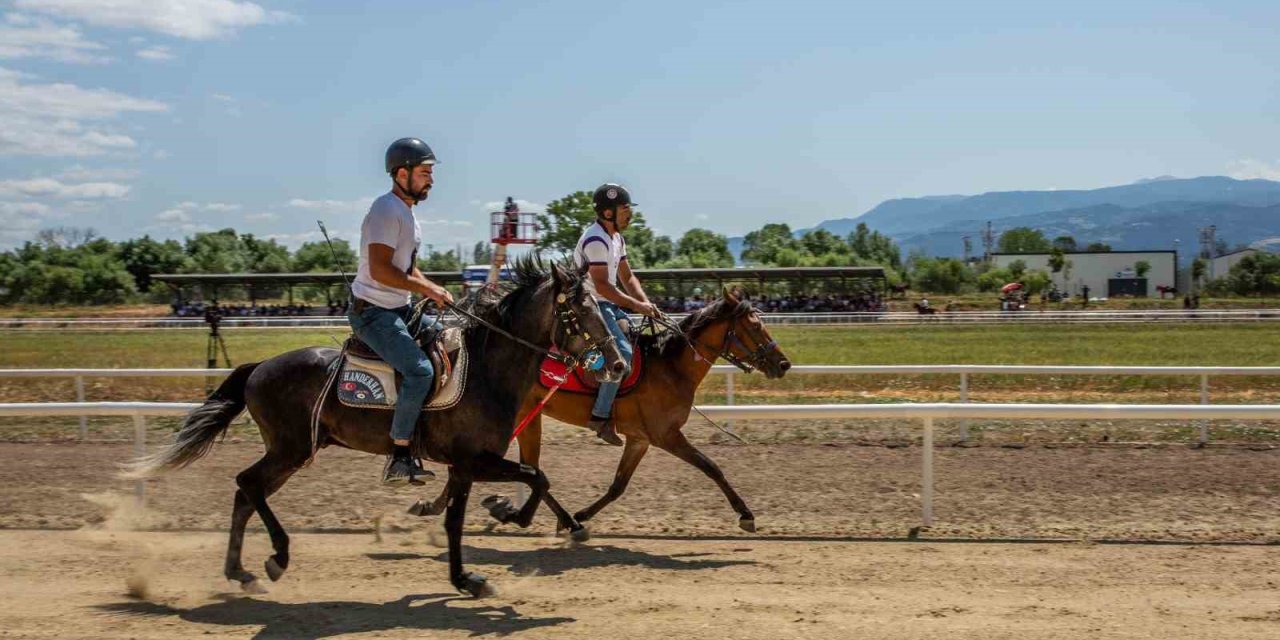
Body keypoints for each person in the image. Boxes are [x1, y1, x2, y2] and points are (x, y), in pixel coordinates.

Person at [347, 137, 454, 485]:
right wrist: (426, 289)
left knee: (451, 341)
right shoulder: (384, 210)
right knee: (421, 371)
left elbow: (407, 269)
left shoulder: (407, 215)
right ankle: (400, 455)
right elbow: (380, 270)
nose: (431, 181)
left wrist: (435, 291)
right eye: (425, 173)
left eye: (430, 174)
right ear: (402, 173)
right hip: (373, 313)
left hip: (399, 308)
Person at [574, 183, 658, 446]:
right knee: (621, 356)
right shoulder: (596, 239)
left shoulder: (616, 238)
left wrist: (647, 304)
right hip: (588, 305)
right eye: (625, 209)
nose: (630, 214)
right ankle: (599, 417)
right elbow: (602, 286)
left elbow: (627, 276)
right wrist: (636, 306)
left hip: (605, 303)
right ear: (608, 213)